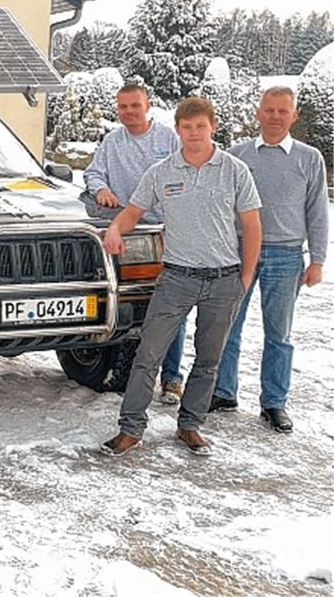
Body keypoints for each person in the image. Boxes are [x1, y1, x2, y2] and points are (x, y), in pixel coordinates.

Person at [100, 97, 262, 457]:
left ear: (213, 127)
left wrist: (245, 276)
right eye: (186, 128)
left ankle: (190, 426)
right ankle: (130, 429)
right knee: (147, 355)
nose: (193, 133)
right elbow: (132, 211)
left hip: (223, 281)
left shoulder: (235, 170)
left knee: (208, 360)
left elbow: (252, 226)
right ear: (177, 130)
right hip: (176, 278)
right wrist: (115, 229)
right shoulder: (162, 171)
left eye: (200, 127)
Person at [211, 87, 328, 432]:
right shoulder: (237, 156)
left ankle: (274, 402)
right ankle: (223, 391)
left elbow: (318, 212)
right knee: (228, 327)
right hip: (239, 252)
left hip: (286, 256)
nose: (276, 116)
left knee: (279, 334)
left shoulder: (309, 159)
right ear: (258, 113)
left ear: (294, 116)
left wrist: (318, 260)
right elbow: (220, 206)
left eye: (283, 111)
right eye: (270, 110)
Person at [83, 84, 187, 405]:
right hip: (125, 237)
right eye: (123, 106)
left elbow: (183, 175)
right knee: (131, 306)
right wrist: (101, 189)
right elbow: (93, 172)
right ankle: (132, 371)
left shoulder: (168, 139)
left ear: (148, 106)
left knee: (173, 308)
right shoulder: (112, 141)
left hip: (165, 234)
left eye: (134, 106)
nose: (129, 112)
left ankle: (171, 377)